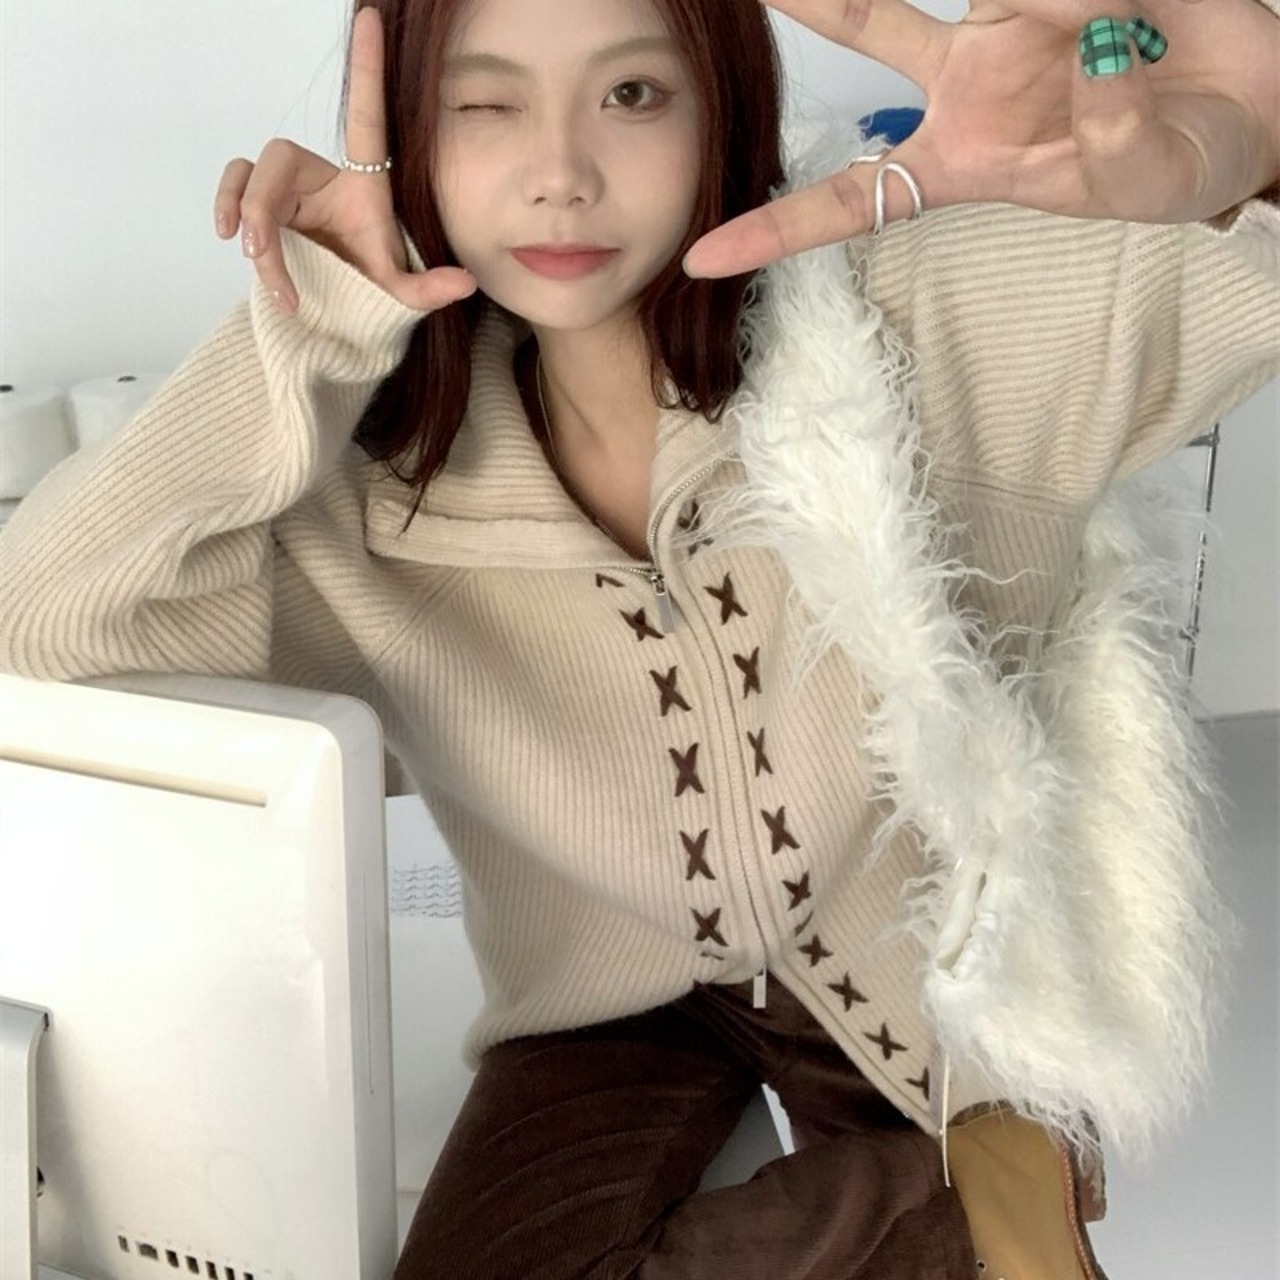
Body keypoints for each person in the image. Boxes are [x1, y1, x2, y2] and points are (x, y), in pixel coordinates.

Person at [2, 0, 1278, 1275]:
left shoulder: (917, 326)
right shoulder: (373, 497)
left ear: (722, 108)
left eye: (631, 96)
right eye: (481, 104)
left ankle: (982, 1163)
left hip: (929, 985)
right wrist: (315, 321)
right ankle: (957, 1203)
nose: (559, 173)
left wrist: (1265, 128)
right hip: (602, 1003)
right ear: (408, 139)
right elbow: (38, 619)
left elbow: (1235, 275)